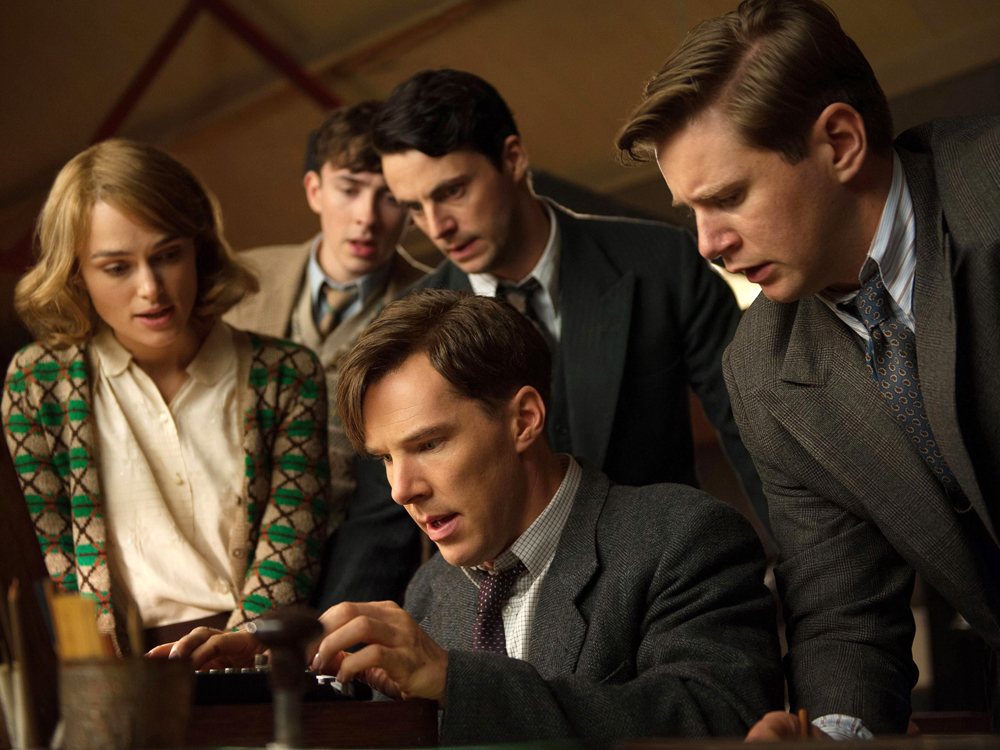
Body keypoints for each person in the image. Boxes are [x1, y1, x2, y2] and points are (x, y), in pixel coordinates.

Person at [154, 289, 783, 744]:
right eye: (385, 458)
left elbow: (715, 721)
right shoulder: (430, 590)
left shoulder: (683, 537)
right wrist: (271, 678)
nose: (401, 489)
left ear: (523, 420)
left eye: (429, 444)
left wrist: (455, 681)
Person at [616, 0, 1000, 739]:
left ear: (840, 142)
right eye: (691, 212)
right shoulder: (760, 370)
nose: (707, 244)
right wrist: (832, 733)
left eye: (729, 197)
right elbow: (844, 614)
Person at [369, 69, 772, 536]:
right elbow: (385, 515)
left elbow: (759, 438)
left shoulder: (661, 262)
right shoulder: (407, 328)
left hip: (665, 559)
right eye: (415, 208)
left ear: (513, 158)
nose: (438, 227)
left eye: (452, 191)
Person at [2, 139, 330, 653]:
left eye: (168, 255)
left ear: (199, 249)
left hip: (256, 657)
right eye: (117, 267)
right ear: (76, 273)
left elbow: (291, 546)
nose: (151, 288)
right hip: (110, 666)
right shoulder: (35, 383)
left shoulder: (287, 376)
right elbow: (51, 553)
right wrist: (98, 672)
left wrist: (238, 648)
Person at [224, 102, 428, 609]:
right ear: (315, 190)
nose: (367, 217)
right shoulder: (241, 284)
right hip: (234, 553)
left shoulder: (435, 306)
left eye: (389, 197)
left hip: (365, 564)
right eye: (349, 189)